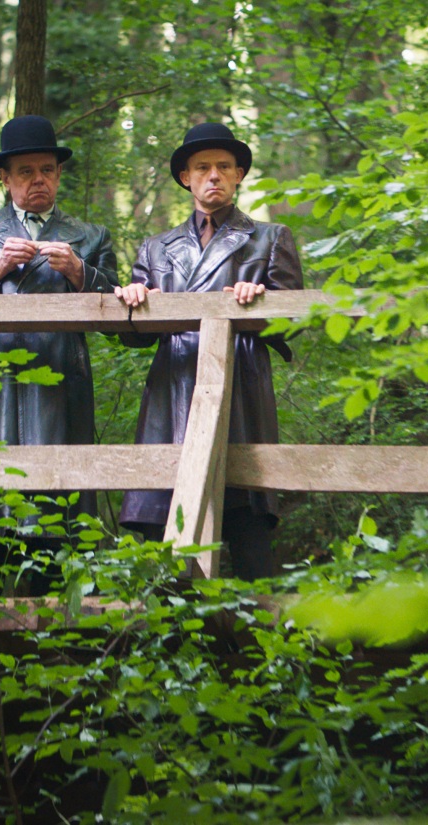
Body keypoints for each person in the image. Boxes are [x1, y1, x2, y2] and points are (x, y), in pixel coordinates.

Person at [0, 115, 119, 585]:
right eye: (27, 172)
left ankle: (58, 611)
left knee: (58, 514)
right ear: (6, 178)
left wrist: (79, 272)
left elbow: (120, 305)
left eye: (47, 170)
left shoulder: (90, 237)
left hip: (60, 377)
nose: (39, 180)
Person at [113, 122, 304, 581]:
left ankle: (261, 643)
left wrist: (260, 300)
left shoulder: (270, 238)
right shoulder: (155, 247)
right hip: (172, 388)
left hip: (240, 387)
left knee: (246, 517)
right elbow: (133, 336)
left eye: (223, 166)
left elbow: (295, 320)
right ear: (186, 178)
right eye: (202, 167)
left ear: (239, 174)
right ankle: (164, 636)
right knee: (161, 522)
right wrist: (134, 303)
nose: (213, 175)